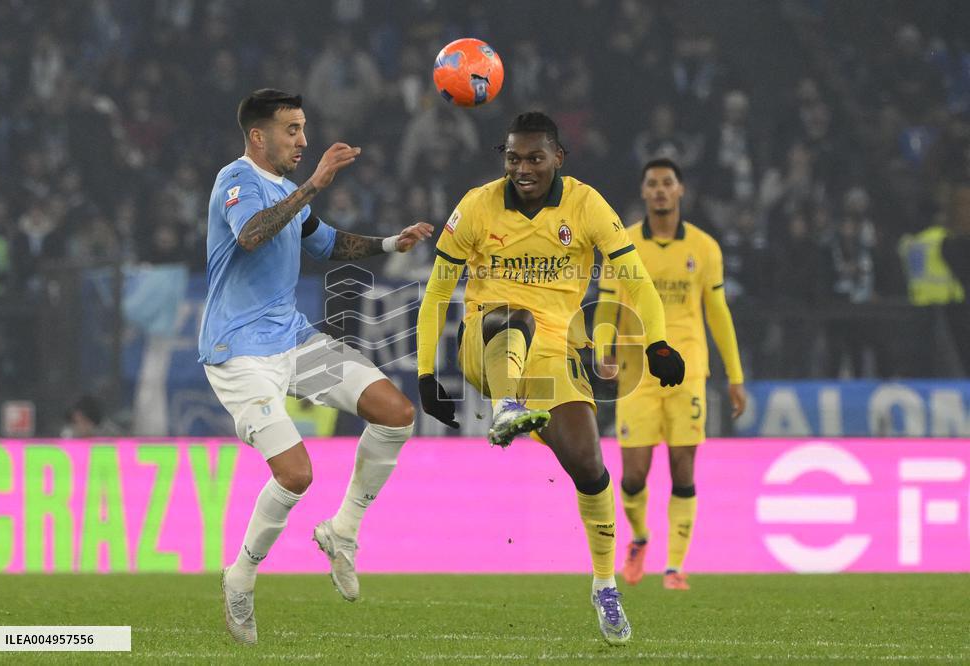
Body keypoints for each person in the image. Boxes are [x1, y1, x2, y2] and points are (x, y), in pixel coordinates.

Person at [416, 112, 685, 646]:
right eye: (513, 158)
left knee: (589, 465)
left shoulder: (586, 206)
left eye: (534, 158)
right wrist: (427, 374)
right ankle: (504, 410)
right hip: (486, 340)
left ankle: (605, 585)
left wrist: (657, 342)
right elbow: (436, 294)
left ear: (558, 158)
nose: (522, 168)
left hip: (556, 355)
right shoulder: (476, 205)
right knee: (512, 315)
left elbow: (636, 280)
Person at [199, 89, 433, 644]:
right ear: (259, 135)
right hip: (240, 354)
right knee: (296, 474)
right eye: (292, 130)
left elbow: (326, 244)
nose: (304, 141)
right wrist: (313, 186)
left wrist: (389, 241)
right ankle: (241, 574)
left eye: (304, 129)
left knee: (396, 414)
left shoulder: (289, 192)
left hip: (294, 342)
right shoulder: (236, 180)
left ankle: (343, 531)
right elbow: (252, 235)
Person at [593, 157, 746, 591]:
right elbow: (607, 302)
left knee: (683, 469)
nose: (660, 190)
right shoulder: (621, 244)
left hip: (688, 372)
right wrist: (602, 345)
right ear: (644, 193)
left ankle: (675, 567)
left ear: (680, 191)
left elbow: (718, 313)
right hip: (636, 372)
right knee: (633, 475)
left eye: (667, 183)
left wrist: (735, 375)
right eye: (653, 184)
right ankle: (640, 537)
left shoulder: (704, 247)